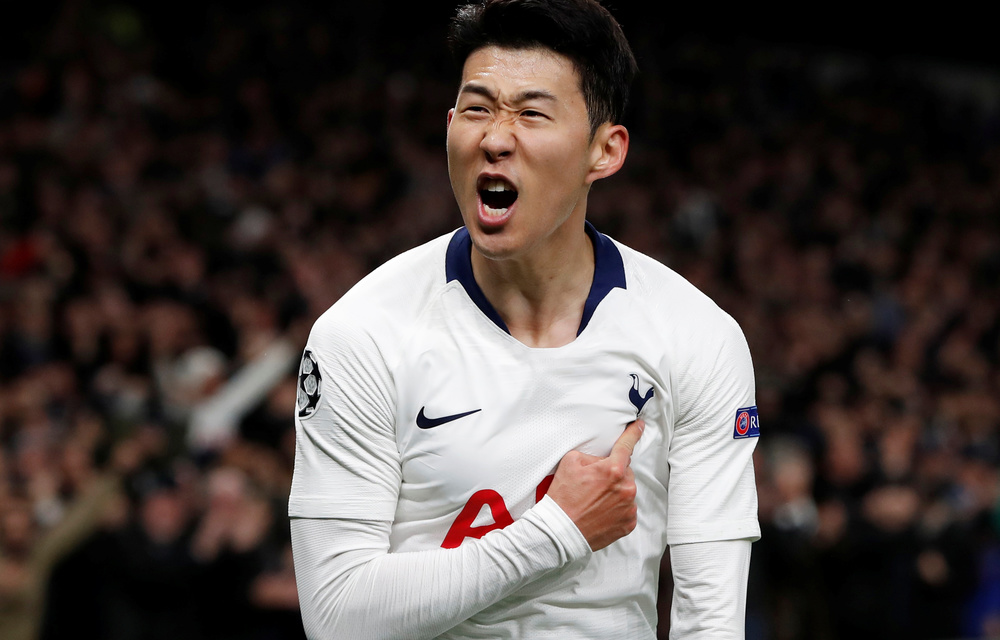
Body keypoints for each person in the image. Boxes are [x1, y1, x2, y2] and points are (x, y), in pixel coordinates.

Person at [288, 0, 760, 638]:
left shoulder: (697, 338)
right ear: (450, 123)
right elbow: (336, 616)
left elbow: (712, 620)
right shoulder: (362, 335)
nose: (495, 137)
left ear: (605, 150)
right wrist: (557, 530)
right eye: (477, 108)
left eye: (532, 113)